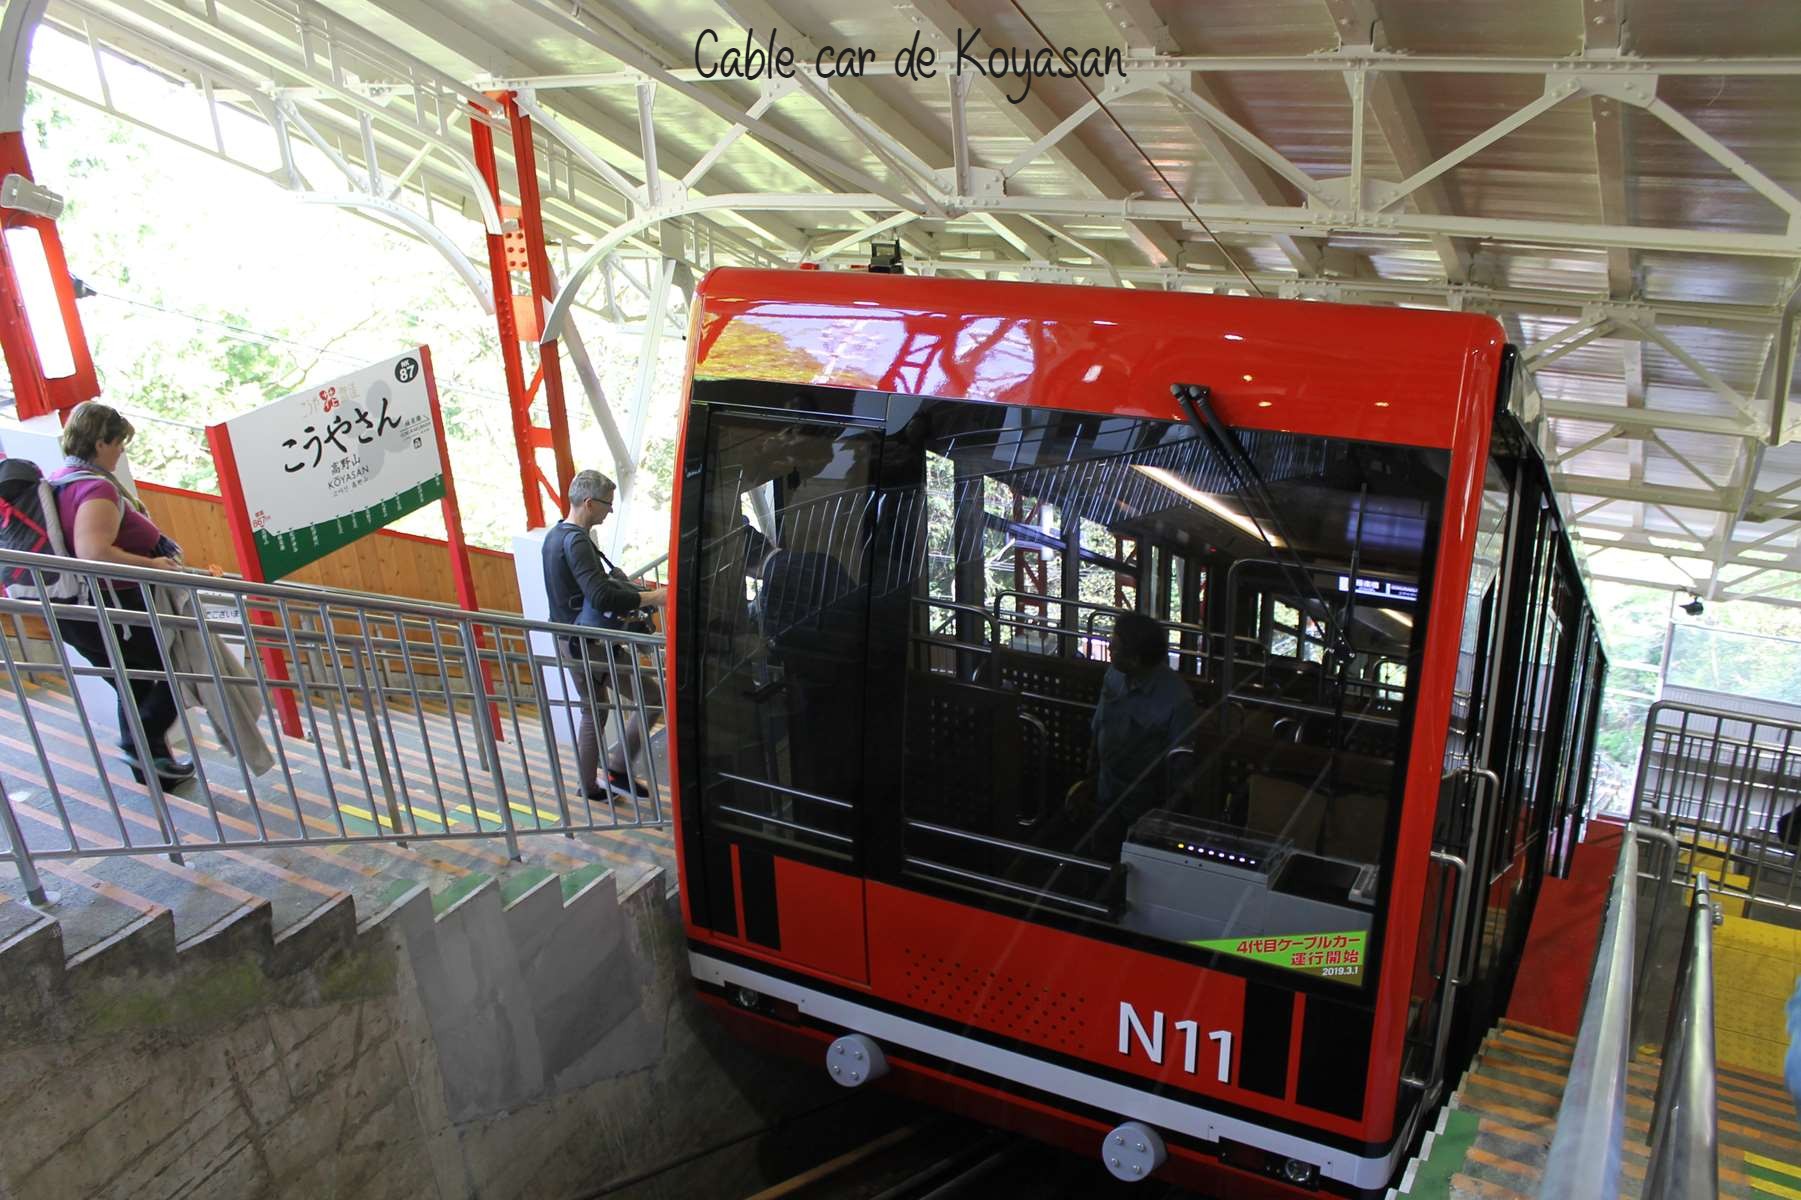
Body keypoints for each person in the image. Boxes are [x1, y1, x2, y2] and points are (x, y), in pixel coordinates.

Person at [51, 401, 200, 788]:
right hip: (114, 608)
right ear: (102, 442)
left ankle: (153, 770)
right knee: (176, 669)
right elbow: (94, 552)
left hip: (83, 611)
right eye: (119, 443)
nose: (121, 452)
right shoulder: (95, 487)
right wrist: (153, 565)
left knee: (132, 683)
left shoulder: (65, 478)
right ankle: (142, 741)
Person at [542, 470, 667, 800]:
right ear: (588, 503)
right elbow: (600, 597)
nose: (610, 511)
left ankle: (593, 782)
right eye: (607, 505)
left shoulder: (555, 536)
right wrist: (654, 597)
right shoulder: (578, 542)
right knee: (651, 696)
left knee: (594, 709)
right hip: (589, 645)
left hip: (570, 639)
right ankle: (617, 768)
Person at [1070, 611, 1199, 856]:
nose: (1109, 648)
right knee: (1100, 853)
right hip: (1106, 788)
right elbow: (1100, 725)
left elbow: (1181, 767)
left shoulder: (1177, 700)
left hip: (1145, 803)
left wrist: (1168, 817)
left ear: (1136, 659)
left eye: (1115, 647)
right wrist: (1090, 777)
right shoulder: (1114, 674)